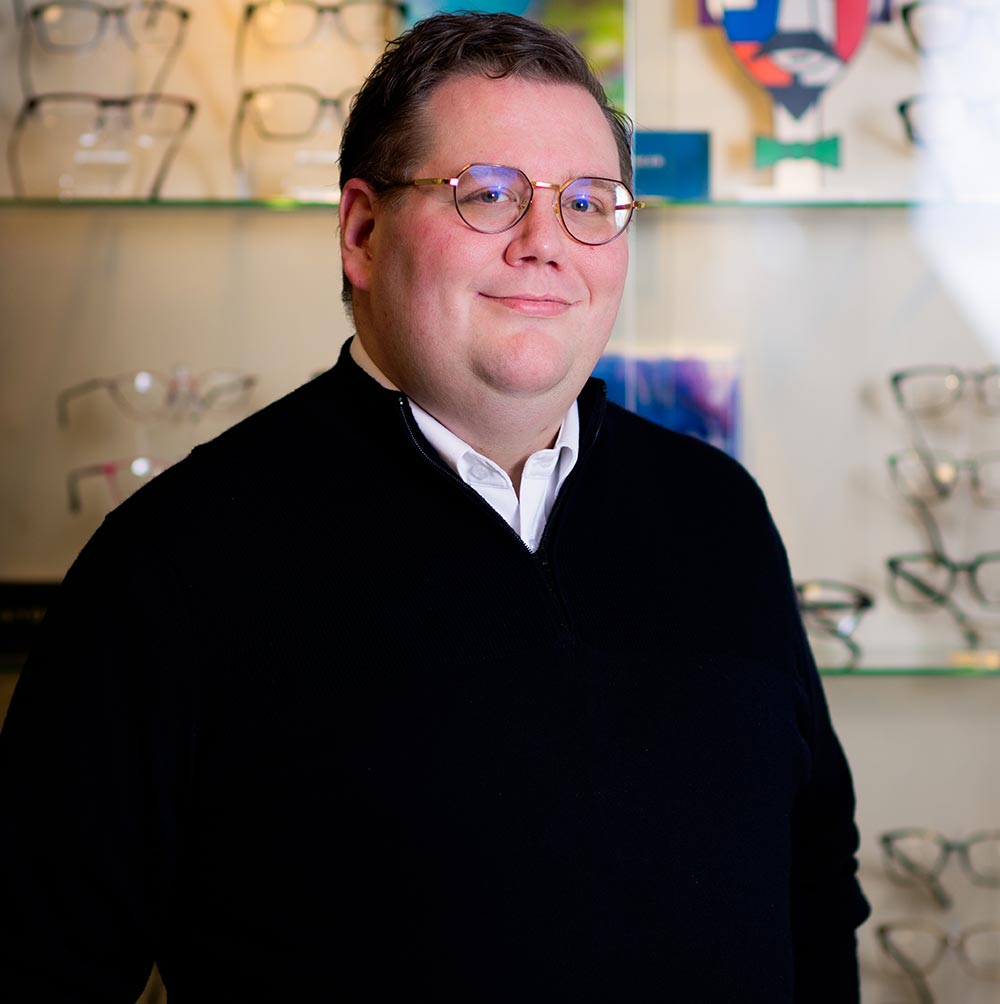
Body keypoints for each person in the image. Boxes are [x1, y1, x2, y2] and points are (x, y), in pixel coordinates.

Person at [0, 11, 870, 1002]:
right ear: (362, 234)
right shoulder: (169, 566)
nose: (547, 242)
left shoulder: (718, 513)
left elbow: (813, 877)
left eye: (589, 200)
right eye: (488, 194)